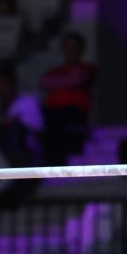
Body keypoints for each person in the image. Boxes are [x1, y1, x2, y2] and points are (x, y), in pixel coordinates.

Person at [40, 31, 95, 165]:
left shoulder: (88, 69)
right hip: (51, 113)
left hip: (73, 113)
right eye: (67, 47)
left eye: (73, 47)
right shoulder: (55, 71)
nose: (70, 51)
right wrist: (67, 80)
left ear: (81, 49)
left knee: (58, 123)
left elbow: (79, 80)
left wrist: (59, 82)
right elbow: (44, 82)